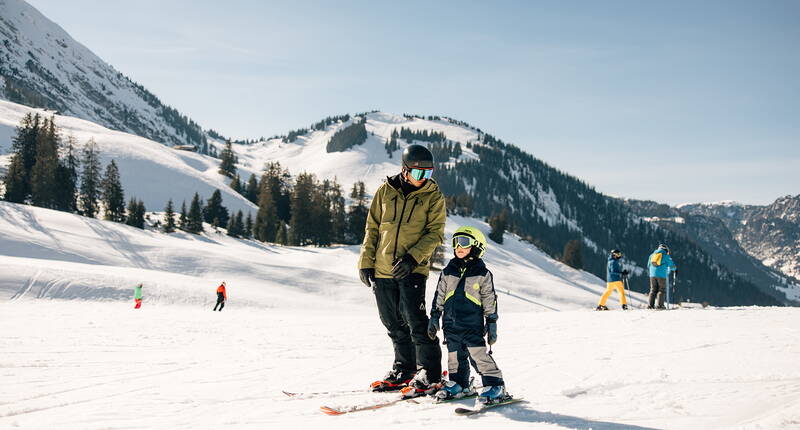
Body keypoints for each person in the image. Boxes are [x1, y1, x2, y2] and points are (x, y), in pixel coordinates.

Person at [358, 144, 446, 397]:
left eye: (428, 174)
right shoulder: (385, 192)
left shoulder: (433, 196)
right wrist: (366, 262)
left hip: (412, 269)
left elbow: (435, 234)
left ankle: (429, 372)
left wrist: (412, 258)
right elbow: (372, 229)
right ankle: (404, 370)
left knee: (417, 323)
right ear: (405, 170)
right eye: (419, 174)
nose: (424, 179)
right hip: (383, 269)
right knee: (393, 324)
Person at [427, 226, 510, 405]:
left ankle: (496, 385)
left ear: (477, 246)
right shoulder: (448, 271)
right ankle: (459, 384)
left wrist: (492, 322)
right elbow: (439, 295)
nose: (458, 246)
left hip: (472, 325)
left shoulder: (482, 273)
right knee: (454, 357)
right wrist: (435, 316)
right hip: (450, 324)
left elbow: (489, 299)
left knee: (478, 355)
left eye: (463, 242)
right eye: (455, 242)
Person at [647, 244, 677, 309]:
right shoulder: (666, 256)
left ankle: (650, 305)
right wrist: (675, 269)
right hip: (661, 275)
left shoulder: (651, 255)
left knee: (653, 290)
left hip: (652, 275)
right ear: (666, 250)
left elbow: (648, 265)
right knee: (661, 290)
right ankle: (660, 305)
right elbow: (672, 266)